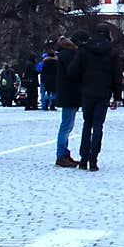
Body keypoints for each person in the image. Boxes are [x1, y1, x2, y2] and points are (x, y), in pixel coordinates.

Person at [71, 24, 122, 170]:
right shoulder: (112, 51)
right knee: (98, 125)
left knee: (87, 124)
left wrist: (81, 82)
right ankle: (93, 160)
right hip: (104, 92)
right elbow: (117, 75)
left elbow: (73, 70)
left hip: (87, 91)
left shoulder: (84, 50)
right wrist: (117, 96)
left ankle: (83, 159)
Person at [54, 31, 88, 167]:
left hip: (67, 93)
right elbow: (73, 73)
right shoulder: (69, 55)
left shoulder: (65, 53)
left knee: (67, 125)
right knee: (66, 126)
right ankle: (61, 155)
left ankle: (63, 154)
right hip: (70, 93)